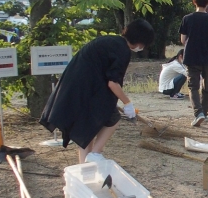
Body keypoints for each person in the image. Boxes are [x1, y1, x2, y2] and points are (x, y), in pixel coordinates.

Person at [40, 19, 155, 163]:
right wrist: (127, 103)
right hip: (85, 89)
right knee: (113, 119)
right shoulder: (122, 50)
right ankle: (95, 154)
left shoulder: (111, 41)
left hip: (78, 87)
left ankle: (85, 168)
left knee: (87, 130)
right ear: (140, 42)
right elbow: (113, 83)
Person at [179, 0, 208, 127]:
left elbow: (183, 40)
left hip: (191, 56)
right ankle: (205, 112)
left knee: (193, 86)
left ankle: (198, 113)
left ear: (194, 2)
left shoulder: (187, 19)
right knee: (207, 85)